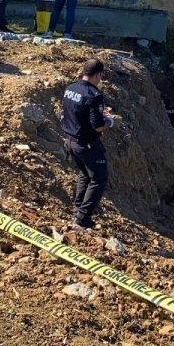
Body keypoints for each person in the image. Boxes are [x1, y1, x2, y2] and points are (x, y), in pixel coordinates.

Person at [60, 57, 115, 229]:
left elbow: (77, 112)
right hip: (87, 144)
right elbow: (98, 126)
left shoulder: (71, 88)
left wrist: (99, 116)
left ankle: (78, 210)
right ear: (98, 74)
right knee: (99, 178)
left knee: (85, 174)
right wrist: (109, 122)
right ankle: (82, 219)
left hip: (71, 141)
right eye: (101, 76)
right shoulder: (94, 95)